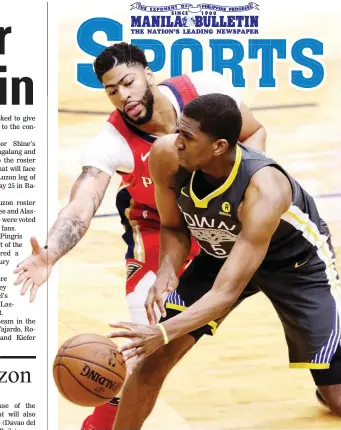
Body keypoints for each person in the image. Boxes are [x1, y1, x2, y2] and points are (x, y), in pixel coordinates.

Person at [13, 43, 266, 430]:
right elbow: (83, 201)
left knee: (299, 285)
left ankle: (328, 376)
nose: (123, 96)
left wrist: (245, 189)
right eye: (112, 90)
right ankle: (103, 422)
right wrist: (51, 253)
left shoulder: (205, 90)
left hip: (218, 219)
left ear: (148, 73)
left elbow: (255, 131)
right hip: (158, 229)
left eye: (128, 82)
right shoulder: (111, 140)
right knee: (140, 334)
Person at [108, 93, 341, 429]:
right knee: (152, 362)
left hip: (296, 265)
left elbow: (224, 295)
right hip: (222, 253)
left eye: (188, 137)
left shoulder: (264, 190)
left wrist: (161, 331)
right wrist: (166, 271)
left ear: (218, 146)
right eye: (179, 131)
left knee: (337, 401)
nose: (177, 143)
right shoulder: (165, 155)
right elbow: (173, 226)